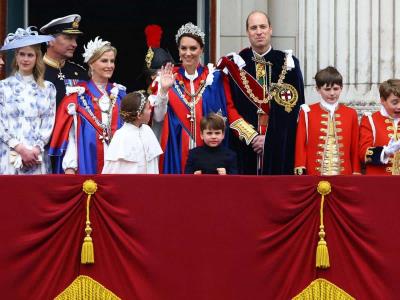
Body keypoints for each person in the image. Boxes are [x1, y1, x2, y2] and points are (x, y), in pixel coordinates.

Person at [153, 22, 253, 174]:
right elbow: (158, 119)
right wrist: (163, 91)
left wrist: (251, 135)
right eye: (183, 48)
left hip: (210, 154)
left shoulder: (216, 77)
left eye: (193, 48)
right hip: (176, 150)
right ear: (178, 51)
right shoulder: (167, 77)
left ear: (201, 50)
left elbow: (230, 110)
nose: (188, 53)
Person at [217, 10, 305, 175]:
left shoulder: (289, 64)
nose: (259, 32)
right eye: (254, 28)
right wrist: (252, 137)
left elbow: (295, 111)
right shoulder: (234, 65)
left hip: (279, 149)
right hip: (244, 148)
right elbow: (228, 108)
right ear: (247, 32)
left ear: (270, 29)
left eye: (263, 27)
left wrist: (270, 139)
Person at [49, 37, 126, 174]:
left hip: (118, 168)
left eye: (112, 61)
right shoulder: (77, 96)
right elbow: (71, 136)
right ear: (91, 64)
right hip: (87, 164)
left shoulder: (120, 95)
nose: (110, 65)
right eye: (104, 61)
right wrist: (70, 167)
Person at [0, 27, 56, 174]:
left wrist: (36, 149)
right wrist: (19, 147)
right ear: (16, 57)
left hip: (36, 156)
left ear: (37, 58)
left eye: (30, 55)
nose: (25, 59)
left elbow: (48, 123)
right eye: (22, 54)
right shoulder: (3, 87)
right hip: (9, 154)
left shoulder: (48, 88)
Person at [294, 66, 360, 175]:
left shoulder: (351, 113)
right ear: (318, 89)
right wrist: (300, 168)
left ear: (341, 88)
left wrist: (356, 171)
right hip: (314, 174)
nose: (332, 93)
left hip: (345, 175)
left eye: (336, 88)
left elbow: (355, 147)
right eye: (327, 89)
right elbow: (301, 144)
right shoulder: (307, 112)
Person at [102, 91, 163, 174]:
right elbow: (111, 172)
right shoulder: (121, 136)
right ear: (139, 115)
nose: (150, 111)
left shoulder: (148, 131)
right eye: (148, 108)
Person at [40, 14, 88, 107]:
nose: (75, 44)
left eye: (75, 39)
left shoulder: (80, 72)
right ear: (50, 40)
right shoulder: (34, 71)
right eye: (69, 38)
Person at [359, 79, 400, 175]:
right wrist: (384, 152)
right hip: (379, 182)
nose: (399, 106)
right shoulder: (370, 120)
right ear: (382, 101)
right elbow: (363, 153)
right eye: (395, 102)